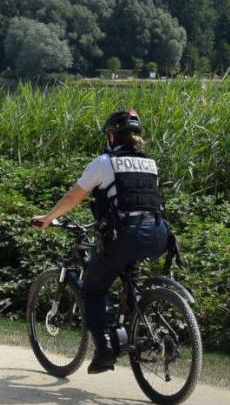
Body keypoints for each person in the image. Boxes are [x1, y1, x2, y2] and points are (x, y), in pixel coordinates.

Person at [33, 109, 169, 374]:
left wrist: (49, 218)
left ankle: (105, 350)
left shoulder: (104, 162)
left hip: (128, 235)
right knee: (124, 271)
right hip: (158, 233)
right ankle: (131, 321)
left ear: (112, 136)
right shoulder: (150, 163)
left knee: (92, 289)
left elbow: (74, 197)